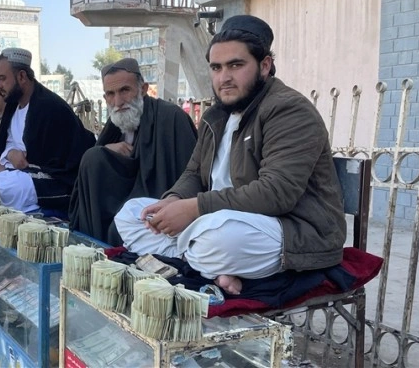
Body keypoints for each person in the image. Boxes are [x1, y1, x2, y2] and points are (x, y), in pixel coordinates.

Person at [115, 15, 346, 296]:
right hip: (219, 219)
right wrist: (174, 200)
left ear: (264, 66)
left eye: (236, 65)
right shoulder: (216, 116)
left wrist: (194, 209)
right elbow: (194, 173)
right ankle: (210, 264)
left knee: (219, 238)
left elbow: (276, 193)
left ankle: (196, 259)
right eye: (216, 67)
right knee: (131, 213)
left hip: (291, 229)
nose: (224, 78)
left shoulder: (289, 110)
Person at [69, 58, 198, 246]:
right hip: (122, 202)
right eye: (111, 94)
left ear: (143, 89)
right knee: (93, 158)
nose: (118, 101)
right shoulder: (116, 124)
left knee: (117, 230)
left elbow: (191, 177)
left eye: (125, 90)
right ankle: (94, 245)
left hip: (157, 208)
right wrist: (106, 151)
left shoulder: (170, 119)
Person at [0, 47, 95, 213]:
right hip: (15, 170)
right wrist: (9, 155)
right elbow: (4, 146)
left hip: (53, 179)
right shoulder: (13, 104)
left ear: (21, 76)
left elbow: (53, 165)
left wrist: (11, 166)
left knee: (4, 187)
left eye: (2, 79)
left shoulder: (48, 107)